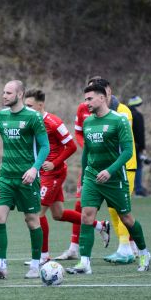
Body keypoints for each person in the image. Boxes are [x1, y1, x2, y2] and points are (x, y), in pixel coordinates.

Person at [67, 83, 151, 274]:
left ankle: (145, 252)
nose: (86, 102)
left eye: (90, 98)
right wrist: (83, 174)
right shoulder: (88, 122)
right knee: (86, 216)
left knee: (126, 218)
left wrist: (110, 171)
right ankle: (85, 263)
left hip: (114, 179)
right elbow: (86, 151)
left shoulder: (119, 120)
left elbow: (129, 151)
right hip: (92, 177)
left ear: (103, 98)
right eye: (85, 99)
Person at [23, 89, 110, 272]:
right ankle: (100, 225)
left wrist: (54, 164)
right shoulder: (30, 122)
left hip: (53, 173)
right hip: (41, 173)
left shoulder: (54, 122)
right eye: (25, 105)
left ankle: (43, 256)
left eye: (29, 106)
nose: (26, 108)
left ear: (41, 105)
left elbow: (71, 146)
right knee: (58, 214)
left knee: (37, 213)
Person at [0, 80, 50, 280]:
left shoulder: (33, 117)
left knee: (31, 220)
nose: (4, 96)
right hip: (6, 177)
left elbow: (45, 147)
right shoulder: (1, 116)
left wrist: (34, 169)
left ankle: (36, 265)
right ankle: (0, 266)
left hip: (27, 178)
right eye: (3, 92)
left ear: (19, 95)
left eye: (8, 93)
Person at [127, 95, 148, 197]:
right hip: (136, 146)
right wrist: (142, 147)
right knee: (138, 166)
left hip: (124, 145)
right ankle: (138, 189)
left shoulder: (125, 113)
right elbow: (140, 133)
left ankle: (129, 189)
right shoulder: (138, 115)